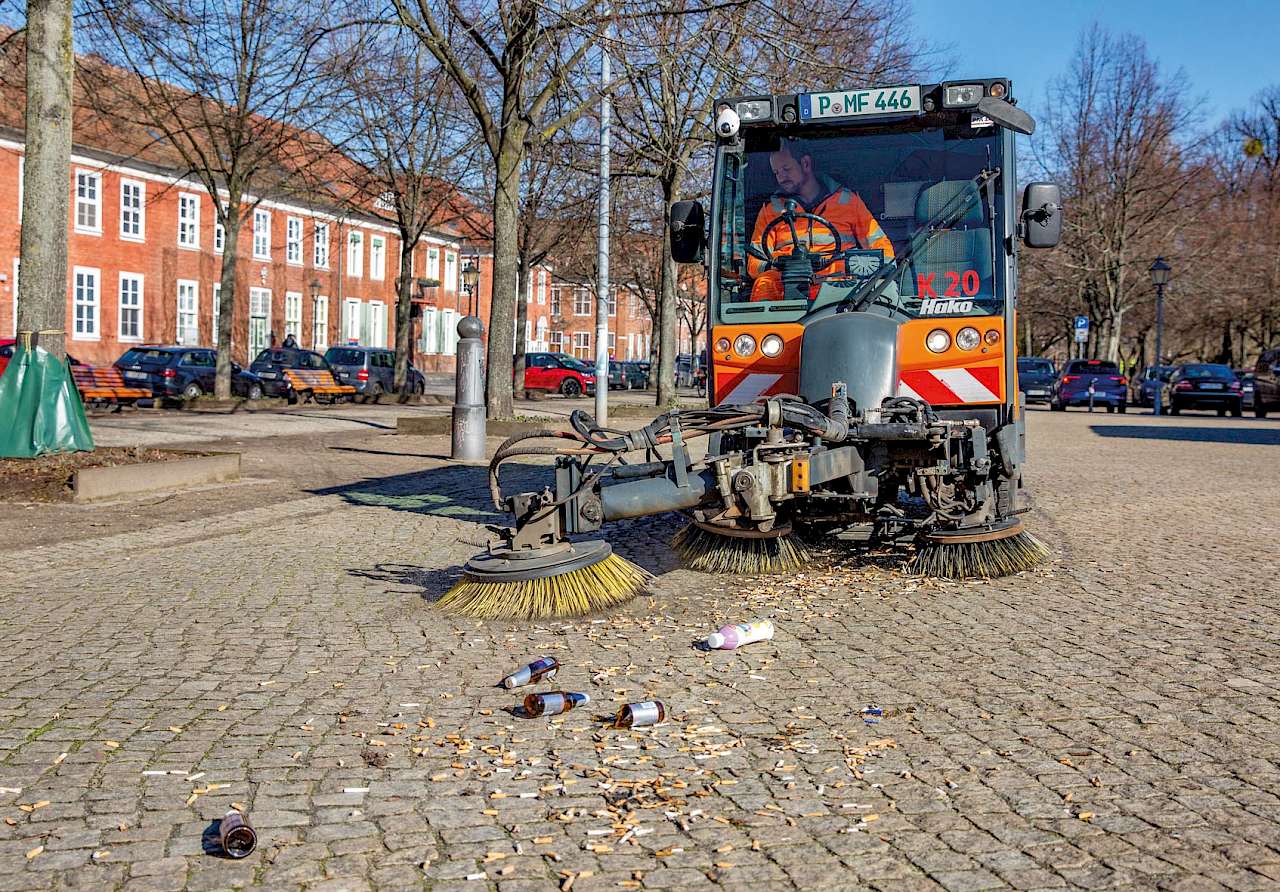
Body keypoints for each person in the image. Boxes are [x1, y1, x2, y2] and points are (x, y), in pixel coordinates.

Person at [748, 138, 894, 301]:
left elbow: (881, 248)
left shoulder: (847, 202)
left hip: (842, 290)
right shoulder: (771, 210)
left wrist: (876, 265)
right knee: (764, 283)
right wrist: (778, 264)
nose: (781, 177)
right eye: (776, 172)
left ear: (805, 164)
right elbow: (755, 262)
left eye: (786, 169)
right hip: (787, 287)